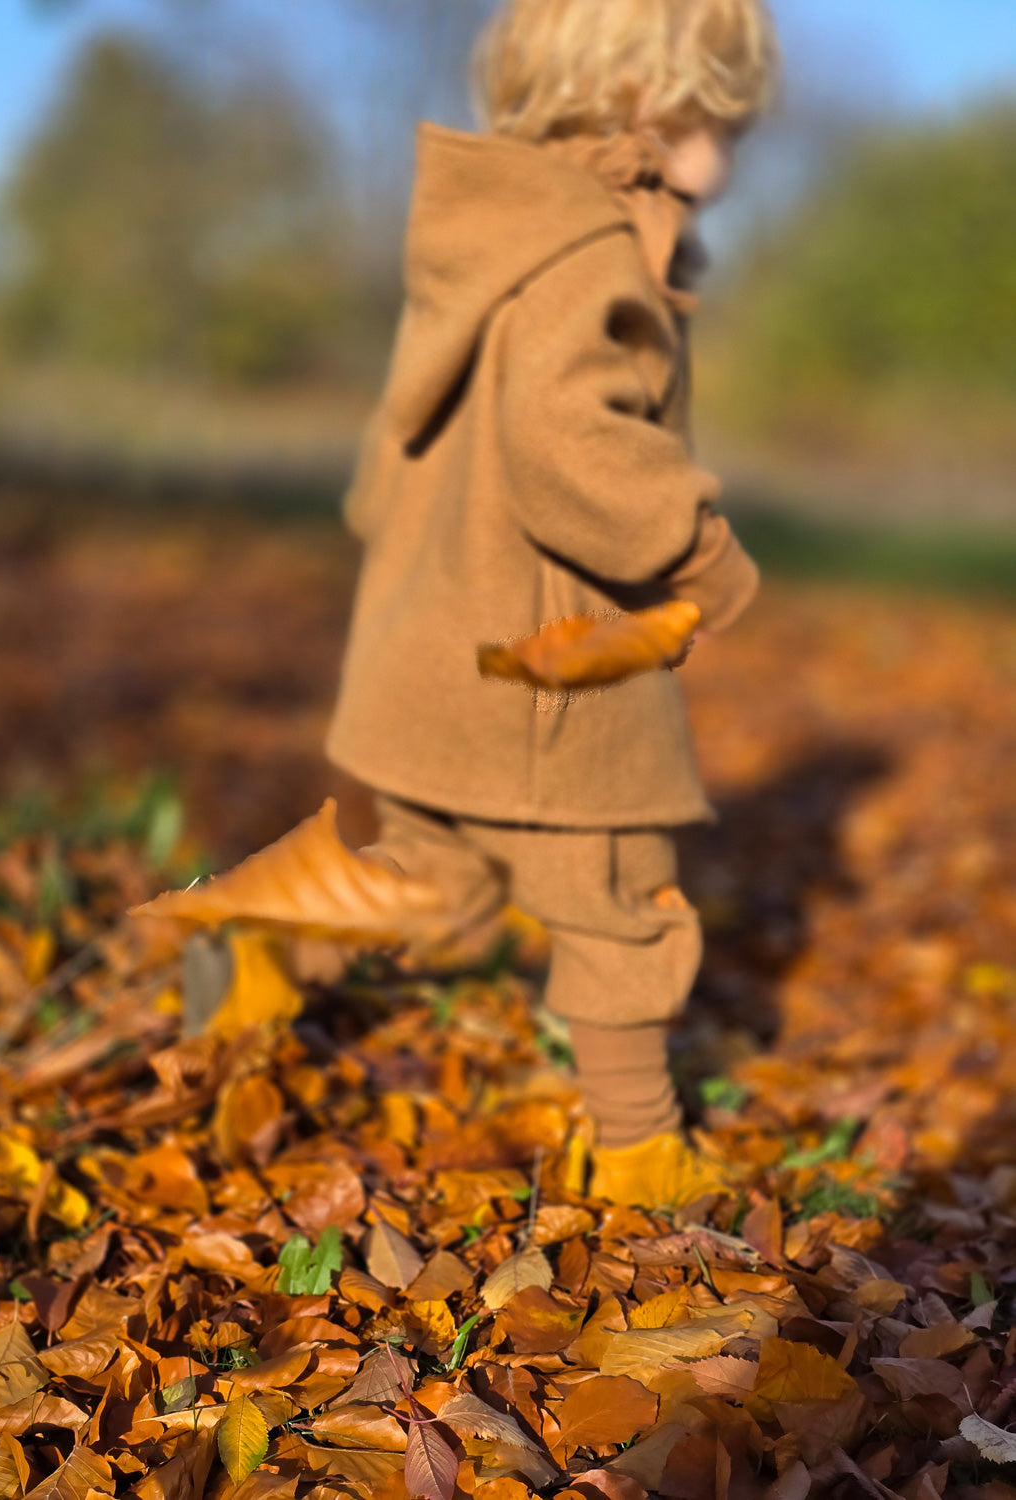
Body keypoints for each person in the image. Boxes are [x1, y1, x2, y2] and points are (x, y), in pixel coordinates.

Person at [325, 0, 779, 1198]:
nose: (738, 150)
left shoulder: (489, 243)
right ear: (654, 107)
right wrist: (697, 547)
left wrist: (401, 585)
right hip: (552, 670)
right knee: (620, 892)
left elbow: (389, 460)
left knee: (433, 879)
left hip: (431, 656)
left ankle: (263, 947)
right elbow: (568, 444)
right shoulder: (586, 253)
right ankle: (640, 1155)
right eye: (728, 119)